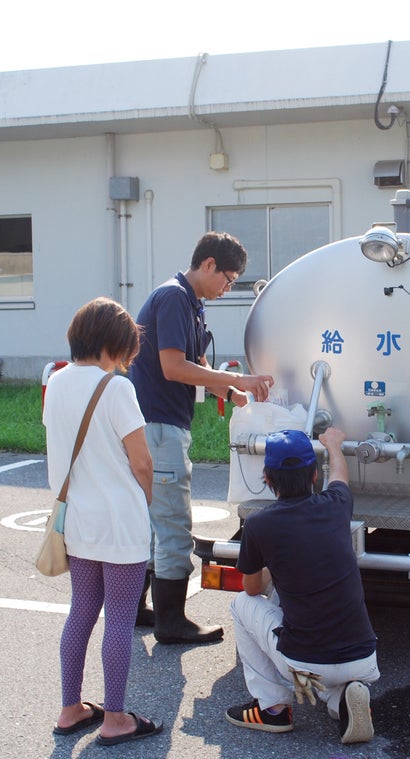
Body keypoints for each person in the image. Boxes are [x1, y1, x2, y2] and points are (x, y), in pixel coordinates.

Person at [129, 231, 274, 645]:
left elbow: (198, 365)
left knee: (150, 523)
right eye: (228, 278)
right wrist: (235, 378)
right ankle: (172, 621)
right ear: (208, 264)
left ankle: (137, 608)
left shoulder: (190, 304)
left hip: (153, 424)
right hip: (159, 426)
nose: (228, 288)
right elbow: (174, 367)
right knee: (173, 523)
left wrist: (235, 394)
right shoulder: (175, 297)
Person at [44, 297, 163, 746]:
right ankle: (116, 719)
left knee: (81, 611)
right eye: (128, 352)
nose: (128, 362)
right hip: (119, 524)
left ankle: (71, 708)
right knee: (119, 619)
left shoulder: (55, 383)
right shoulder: (116, 389)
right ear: (114, 345)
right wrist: (144, 502)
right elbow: (142, 463)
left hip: (77, 523)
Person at [226, 427, 380, 745]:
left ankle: (272, 709)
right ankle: (343, 700)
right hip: (363, 657)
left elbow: (252, 588)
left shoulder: (259, 525)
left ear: (267, 478)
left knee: (241, 604)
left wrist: (276, 561)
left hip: (305, 664)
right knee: (325, 673)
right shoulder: (336, 504)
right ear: (313, 476)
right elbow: (339, 475)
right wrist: (333, 445)